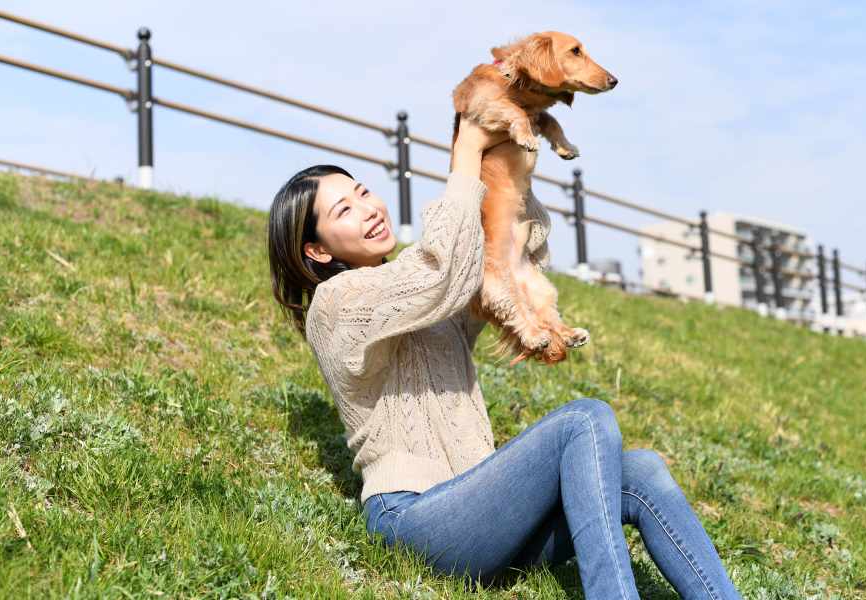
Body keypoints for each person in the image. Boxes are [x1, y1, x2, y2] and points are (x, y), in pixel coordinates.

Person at [267, 118, 741, 599]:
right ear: (317, 250)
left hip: (484, 517)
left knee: (640, 472)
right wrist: (466, 151)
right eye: (344, 210)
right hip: (415, 519)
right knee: (584, 419)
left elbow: (503, 257)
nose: (368, 209)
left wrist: (511, 172)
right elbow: (440, 270)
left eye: (363, 192)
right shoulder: (336, 305)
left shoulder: (422, 295)